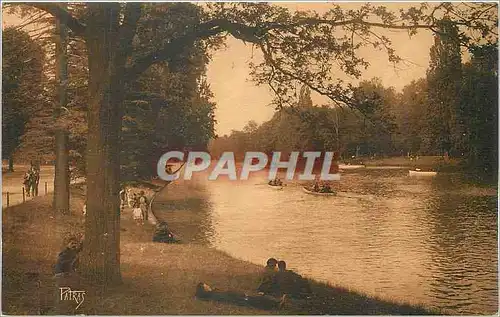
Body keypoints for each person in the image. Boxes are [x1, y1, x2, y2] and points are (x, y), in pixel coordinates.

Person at [195, 282, 286, 310]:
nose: (208, 286)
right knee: (257, 300)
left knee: (258, 299)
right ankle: (276, 304)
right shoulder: (214, 294)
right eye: (206, 286)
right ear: (204, 289)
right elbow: (227, 297)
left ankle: (275, 303)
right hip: (240, 299)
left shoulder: (214, 292)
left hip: (240, 298)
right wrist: (241, 296)